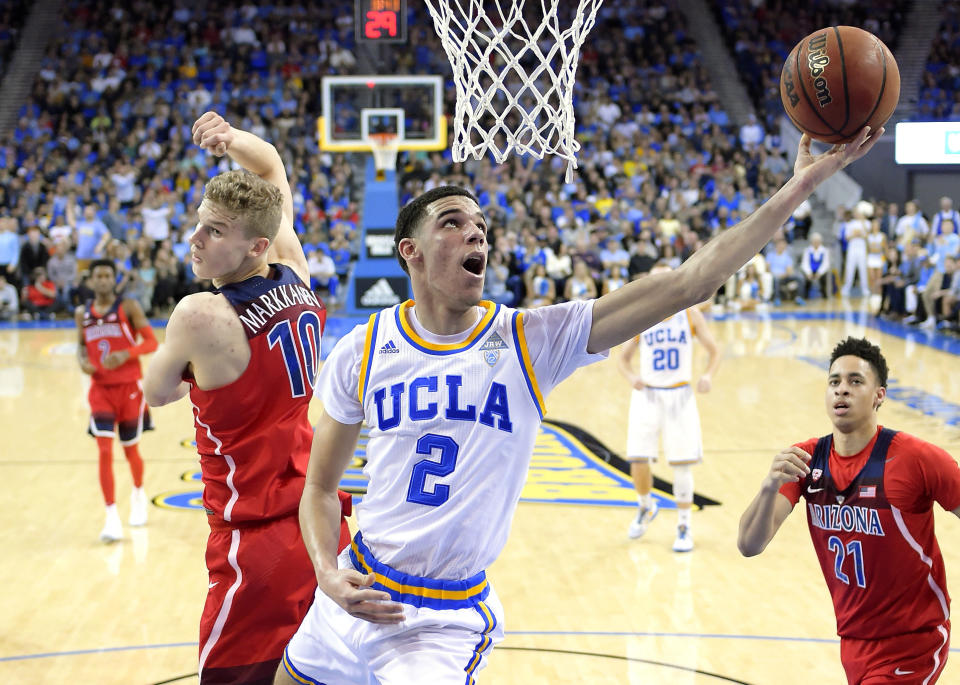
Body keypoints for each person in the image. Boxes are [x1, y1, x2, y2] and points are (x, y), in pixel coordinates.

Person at [276, 127, 883, 685]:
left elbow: (688, 283)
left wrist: (801, 184)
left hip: (439, 621)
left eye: (481, 225)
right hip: (351, 588)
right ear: (409, 251)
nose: (476, 233)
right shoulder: (364, 348)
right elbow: (322, 491)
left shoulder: (530, 339)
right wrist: (327, 574)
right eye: (454, 223)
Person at [143, 112, 351, 685]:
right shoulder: (296, 272)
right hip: (322, 522)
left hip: (256, 541)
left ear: (255, 243)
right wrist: (233, 140)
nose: (195, 238)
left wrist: (186, 361)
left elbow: (155, 392)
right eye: (200, 223)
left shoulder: (199, 313)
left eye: (214, 231)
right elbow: (271, 168)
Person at [738, 337, 960, 684]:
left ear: (879, 395)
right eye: (834, 381)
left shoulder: (917, 459)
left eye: (855, 381)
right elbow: (750, 545)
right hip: (854, 642)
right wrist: (768, 486)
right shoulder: (806, 459)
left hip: (914, 640)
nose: (842, 390)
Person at [617, 263, 721, 551]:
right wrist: (632, 377)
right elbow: (623, 359)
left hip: (679, 395)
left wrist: (708, 375)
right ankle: (645, 506)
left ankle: (684, 525)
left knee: (682, 463)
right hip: (648, 394)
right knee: (638, 458)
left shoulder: (690, 314)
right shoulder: (642, 317)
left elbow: (714, 351)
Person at [75, 258, 157, 542]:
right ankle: (111, 517)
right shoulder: (81, 313)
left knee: (130, 450)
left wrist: (127, 354)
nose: (102, 280)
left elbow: (152, 342)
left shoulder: (128, 307)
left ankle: (137, 493)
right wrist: (83, 362)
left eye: (107, 275)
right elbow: (81, 348)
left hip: (129, 389)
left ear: (114, 279)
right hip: (100, 390)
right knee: (104, 451)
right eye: (97, 275)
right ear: (91, 280)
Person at [801, 231, 832, 298]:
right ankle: (805, 296)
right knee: (805, 278)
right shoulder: (807, 250)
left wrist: (819, 273)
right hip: (810, 270)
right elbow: (805, 263)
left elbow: (826, 264)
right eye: (814, 241)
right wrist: (808, 273)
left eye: (817, 241)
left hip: (821, 271)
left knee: (825, 277)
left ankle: (825, 295)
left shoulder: (825, 251)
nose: (816, 243)